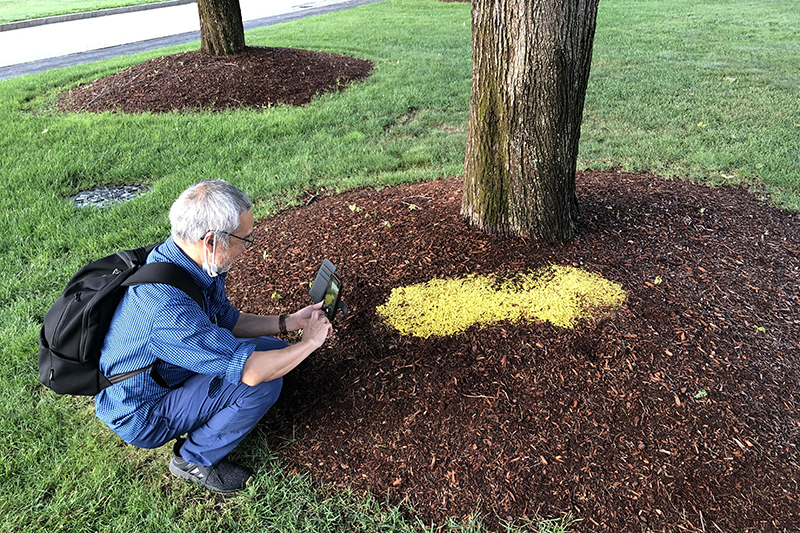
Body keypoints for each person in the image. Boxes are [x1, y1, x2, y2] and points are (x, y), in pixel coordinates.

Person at [95, 179, 332, 493]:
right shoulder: (167, 310)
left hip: (169, 371)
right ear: (211, 241)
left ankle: (216, 411)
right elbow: (251, 372)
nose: (248, 246)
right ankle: (192, 458)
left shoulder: (185, 262)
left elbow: (227, 319)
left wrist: (289, 322)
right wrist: (310, 342)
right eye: (245, 238)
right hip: (143, 411)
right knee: (262, 384)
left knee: (273, 349)